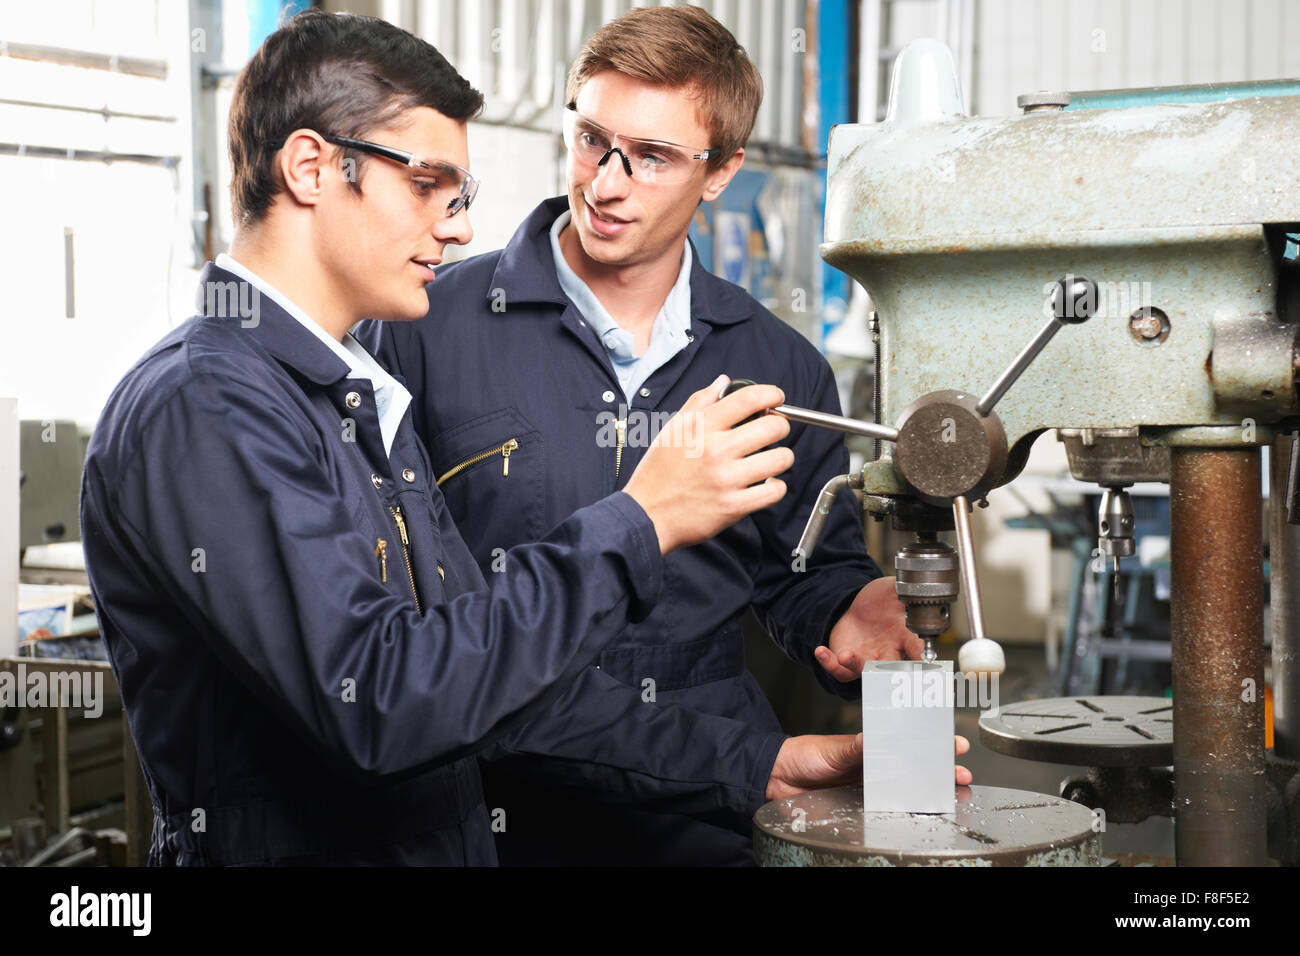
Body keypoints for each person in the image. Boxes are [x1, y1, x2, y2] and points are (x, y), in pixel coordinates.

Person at [78, 9, 867, 867]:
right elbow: (378, 697)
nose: (455, 228)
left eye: (460, 197)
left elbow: (492, 685)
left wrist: (759, 763)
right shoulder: (208, 406)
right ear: (310, 166)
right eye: (426, 185)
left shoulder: (349, 400)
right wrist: (640, 521)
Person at [368, 5, 971, 866]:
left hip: (705, 793)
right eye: (591, 140)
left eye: (651, 157)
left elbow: (799, 568)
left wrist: (847, 605)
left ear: (720, 170)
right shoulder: (425, 327)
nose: (606, 183)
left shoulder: (777, 366)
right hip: (491, 795)